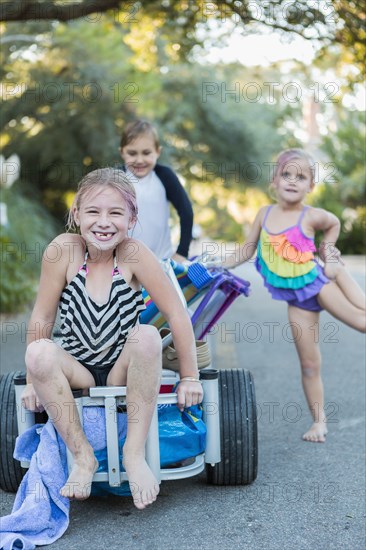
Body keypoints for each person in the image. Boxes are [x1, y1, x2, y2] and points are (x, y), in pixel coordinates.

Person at [21, 168, 203, 509]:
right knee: (38, 355)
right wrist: (33, 382)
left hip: (121, 368)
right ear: (76, 215)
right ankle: (83, 455)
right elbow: (43, 317)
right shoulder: (62, 251)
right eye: (93, 211)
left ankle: (133, 455)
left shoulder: (133, 254)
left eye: (116, 213)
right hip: (79, 370)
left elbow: (177, 313)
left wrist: (189, 377)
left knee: (148, 335)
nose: (103, 222)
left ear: (131, 218)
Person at [222, 149, 366, 443]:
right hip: (297, 300)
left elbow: (334, 222)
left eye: (301, 177)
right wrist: (217, 265)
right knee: (309, 364)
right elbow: (247, 249)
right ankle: (319, 422)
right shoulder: (264, 214)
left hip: (319, 283)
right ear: (274, 179)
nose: (292, 181)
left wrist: (328, 249)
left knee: (362, 321)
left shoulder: (311, 215)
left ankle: (337, 271)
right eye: (286, 174)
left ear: (311, 186)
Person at [119, 119, 193, 262]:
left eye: (146, 153)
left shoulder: (165, 176)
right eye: (132, 153)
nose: (139, 160)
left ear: (158, 152)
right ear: (122, 152)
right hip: (124, 263)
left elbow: (186, 212)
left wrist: (182, 252)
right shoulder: (116, 178)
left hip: (161, 261)